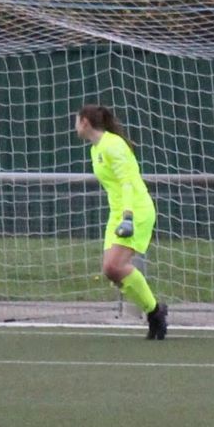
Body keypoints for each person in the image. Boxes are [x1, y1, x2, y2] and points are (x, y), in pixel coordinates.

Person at [75, 103, 168, 340]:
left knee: (114, 266)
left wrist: (127, 217)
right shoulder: (95, 149)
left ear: (85, 122)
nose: (75, 126)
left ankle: (154, 312)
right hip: (117, 212)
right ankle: (155, 310)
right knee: (111, 270)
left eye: (76, 120)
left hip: (135, 210)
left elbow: (127, 182)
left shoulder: (113, 145)